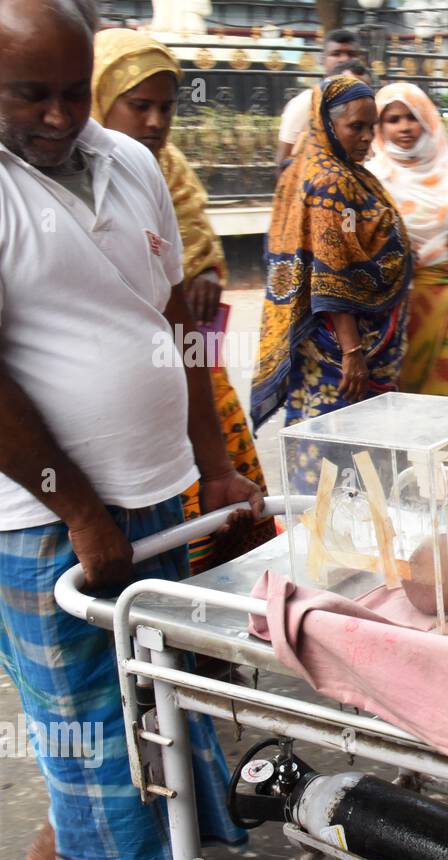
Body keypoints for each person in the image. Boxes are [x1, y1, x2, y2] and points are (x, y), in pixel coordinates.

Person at [0, 0, 263, 860]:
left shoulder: (136, 164)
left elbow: (179, 328)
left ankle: (80, 854)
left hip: (156, 488)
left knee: (156, 688)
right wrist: (76, 509)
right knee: (84, 714)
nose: (63, 116)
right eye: (33, 95)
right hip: (39, 516)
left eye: (77, 92)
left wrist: (219, 466)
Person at [91, 27, 275, 573]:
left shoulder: (169, 172)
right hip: (123, 388)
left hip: (193, 367)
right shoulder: (72, 181)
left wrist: (211, 274)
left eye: (166, 108)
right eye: (138, 105)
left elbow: (198, 250)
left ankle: (224, 616)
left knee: (225, 500)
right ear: (100, 99)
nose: (154, 122)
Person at [252, 74, 411, 457]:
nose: (366, 137)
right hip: (342, 349)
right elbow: (331, 271)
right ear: (326, 122)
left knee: (318, 431)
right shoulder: (331, 180)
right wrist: (352, 353)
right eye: (355, 126)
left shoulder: (305, 167)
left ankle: (317, 510)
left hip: (318, 343)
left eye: (371, 127)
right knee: (350, 448)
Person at [366, 82, 448, 398]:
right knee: (403, 398)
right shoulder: (372, 178)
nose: (404, 127)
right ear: (379, 127)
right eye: (393, 119)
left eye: (412, 117)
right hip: (398, 309)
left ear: (427, 119)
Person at [276, 27, 361, 168]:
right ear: (323, 60)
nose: (344, 59)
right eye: (336, 53)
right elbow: (283, 160)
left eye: (350, 54)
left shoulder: (365, 103)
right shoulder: (305, 102)